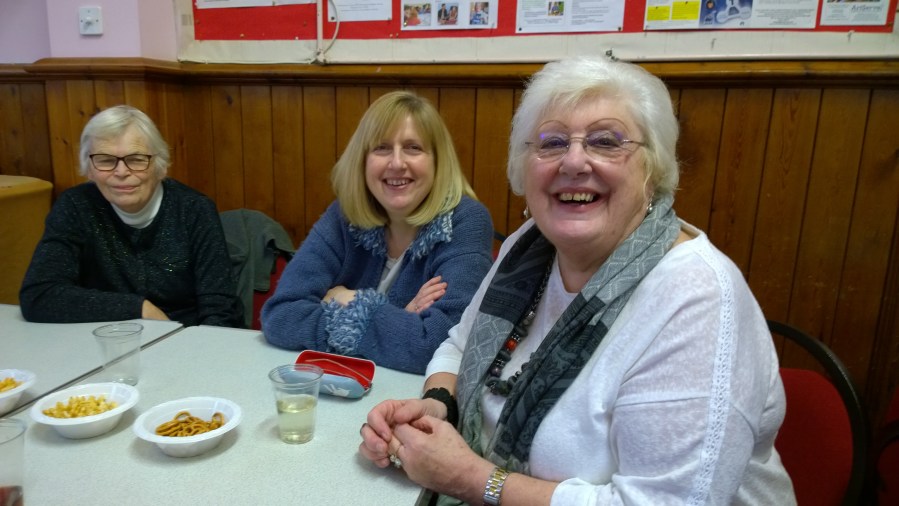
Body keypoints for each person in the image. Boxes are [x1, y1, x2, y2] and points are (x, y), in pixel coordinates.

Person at [359, 57, 796, 505]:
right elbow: (459, 344)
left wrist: (473, 479)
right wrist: (437, 405)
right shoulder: (528, 247)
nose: (573, 161)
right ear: (523, 166)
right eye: (551, 143)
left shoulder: (699, 299)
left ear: (654, 170)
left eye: (606, 142)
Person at [261, 91, 494, 375]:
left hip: (412, 396)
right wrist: (399, 318)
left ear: (438, 161)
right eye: (382, 148)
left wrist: (344, 298)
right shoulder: (344, 215)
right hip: (338, 389)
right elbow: (280, 315)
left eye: (413, 148)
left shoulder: (466, 220)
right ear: (362, 160)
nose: (396, 163)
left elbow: (438, 344)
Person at [19, 105, 243, 328]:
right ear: (89, 169)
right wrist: (138, 308)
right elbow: (39, 294)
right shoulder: (76, 206)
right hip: (105, 338)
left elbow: (220, 312)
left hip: (187, 337)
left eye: (136, 159)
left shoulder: (194, 209)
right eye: (106, 160)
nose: (121, 172)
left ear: (160, 166)